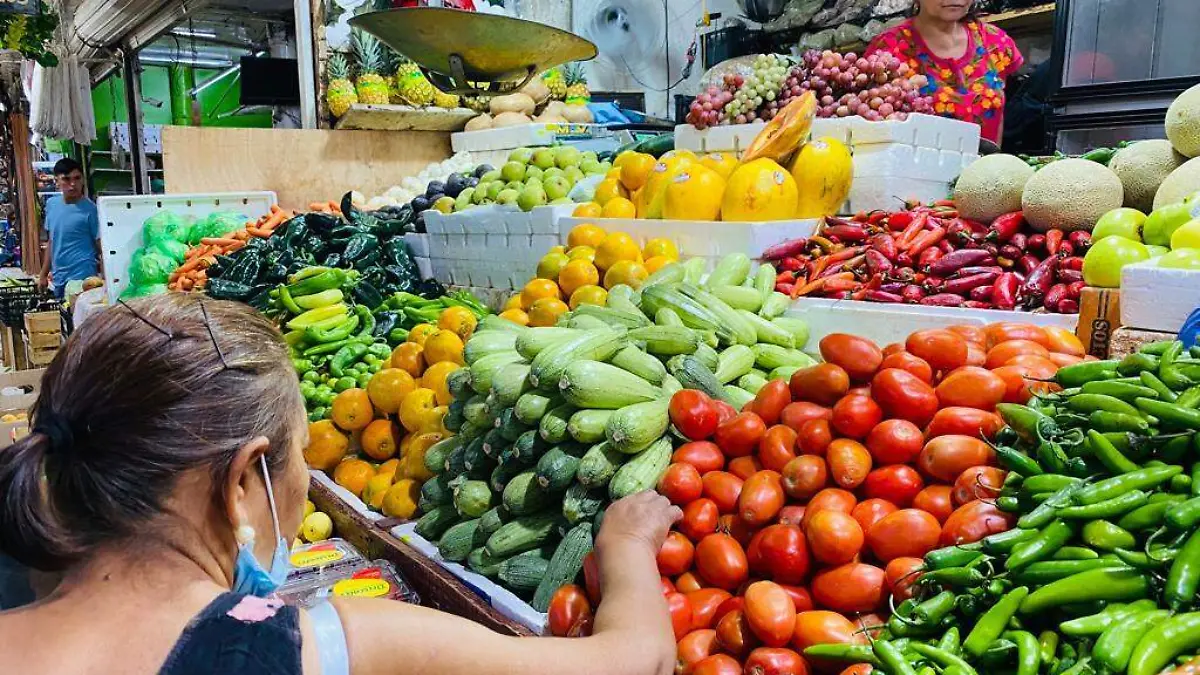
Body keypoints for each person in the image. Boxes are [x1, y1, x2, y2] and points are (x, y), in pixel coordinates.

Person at [0, 293, 682, 674]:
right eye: (302, 456)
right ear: (243, 480)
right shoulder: (313, 645)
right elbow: (634, 661)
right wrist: (624, 543)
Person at [867, 0, 1025, 145]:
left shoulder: (995, 42)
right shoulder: (889, 50)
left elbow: (999, 113)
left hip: (985, 172)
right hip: (919, 171)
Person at [37, 158, 102, 298]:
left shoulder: (91, 210)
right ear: (57, 181)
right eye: (66, 179)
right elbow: (52, 242)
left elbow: (100, 245)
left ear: (83, 180)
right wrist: (43, 275)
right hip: (59, 277)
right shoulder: (51, 205)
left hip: (83, 278)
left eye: (77, 178)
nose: (72, 184)